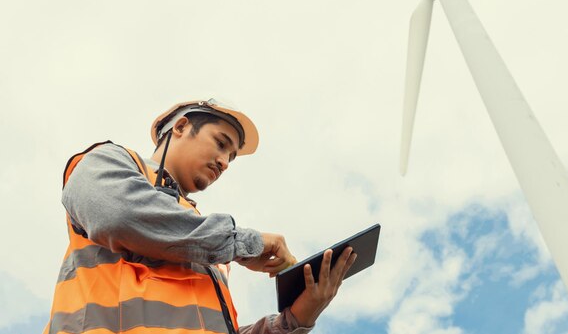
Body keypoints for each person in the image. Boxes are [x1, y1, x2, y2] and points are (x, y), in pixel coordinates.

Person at [44, 99, 357, 334]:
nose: (224, 162)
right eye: (221, 144)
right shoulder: (109, 161)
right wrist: (246, 243)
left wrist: (295, 320)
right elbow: (117, 214)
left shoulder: (204, 245)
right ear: (180, 127)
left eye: (231, 158)